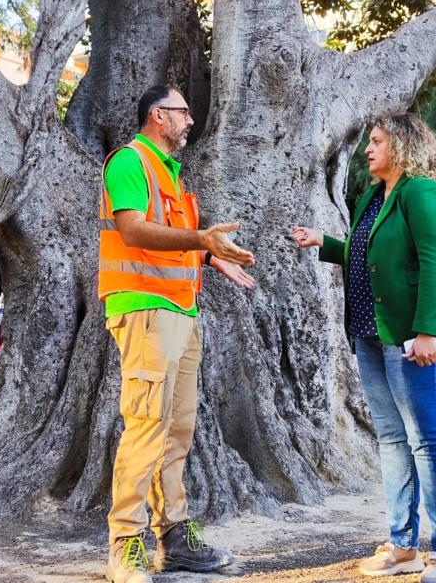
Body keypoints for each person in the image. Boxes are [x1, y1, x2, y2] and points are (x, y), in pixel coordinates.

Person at [291, 113, 436, 583]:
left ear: (404, 146)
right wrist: (323, 242)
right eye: (369, 141)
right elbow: (366, 253)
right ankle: (403, 545)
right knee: (392, 442)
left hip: (414, 337)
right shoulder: (375, 194)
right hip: (372, 334)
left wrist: (430, 330)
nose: (368, 149)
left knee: (428, 442)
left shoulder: (422, 193)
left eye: (377, 141)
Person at [100, 84, 257, 583]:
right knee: (146, 425)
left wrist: (210, 255)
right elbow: (133, 231)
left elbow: (172, 241)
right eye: (182, 112)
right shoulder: (129, 162)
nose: (190, 120)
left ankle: (174, 537)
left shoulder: (171, 173)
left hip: (181, 313)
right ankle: (125, 544)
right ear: (156, 116)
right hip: (145, 310)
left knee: (178, 428)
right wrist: (200, 238)